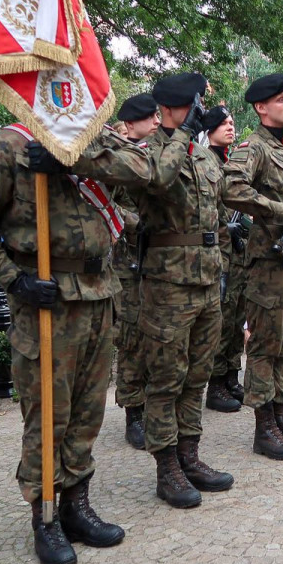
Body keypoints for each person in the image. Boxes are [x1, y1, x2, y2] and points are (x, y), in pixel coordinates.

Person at [0, 108, 149, 564]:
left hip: (99, 291)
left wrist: (76, 159)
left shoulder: (90, 138)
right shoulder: (7, 146)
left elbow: (142, 169)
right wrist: (13, 277)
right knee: (49, 412)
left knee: (88, 410)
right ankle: (44, 514)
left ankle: (75, 505)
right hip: (46, 295)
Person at [131, 73, 238, 509]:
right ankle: (167, 467)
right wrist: (180, 135)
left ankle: (189, 455)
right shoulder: (149, 151)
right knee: (167, 380)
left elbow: (221, 212)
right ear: (173, 108)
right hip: (168, 286)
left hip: (208, 280)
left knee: (197, 376)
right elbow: (158, 180)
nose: (200, 111)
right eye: (194, 104)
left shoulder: (204, 156)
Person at [222, 73, 283, 458]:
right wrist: (278, 211)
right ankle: (264, 428)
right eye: (282, 99)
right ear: (261, 107)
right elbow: (231, 188)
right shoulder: (254, 148)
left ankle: (282, 414)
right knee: (265, 346)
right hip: (269, 265)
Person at [111, 93, 158, 448]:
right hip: (128, 262)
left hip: (159, 262)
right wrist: (134, 223)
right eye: (149, 117)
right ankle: (134, 413)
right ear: (129, 124)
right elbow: (103, 201)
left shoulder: (158, 155)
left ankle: (157, 405)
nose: (157, 121)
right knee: (131, 338)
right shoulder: (116, 157)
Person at [205, 105, 250, 413]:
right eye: (224, 124)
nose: (230, 127)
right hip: (218, 252)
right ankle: (216, 384)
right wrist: (224, 227)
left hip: (237, 252)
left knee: (236, 316)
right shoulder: (205, 160)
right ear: (210, 130)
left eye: (232, 122)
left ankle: (232, 376)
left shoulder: (230, 161)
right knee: (221, 320)